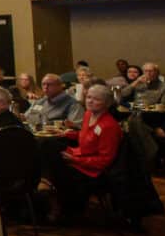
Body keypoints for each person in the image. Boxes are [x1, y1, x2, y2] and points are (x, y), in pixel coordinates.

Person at [42, 85, 121, 220]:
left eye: (97, 99)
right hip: (80, 156)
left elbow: (104, 161)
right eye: (89, 97)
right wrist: (68, 134)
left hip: (92, 170)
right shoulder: (88, 114)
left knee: (55, 165)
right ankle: (49, 199)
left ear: (107, 103)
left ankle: (63, 208)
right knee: (47, 145)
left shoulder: (109, 126)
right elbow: (87, 136)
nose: (90, 101)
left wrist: (74, 160)